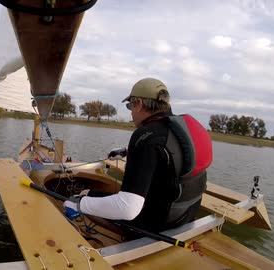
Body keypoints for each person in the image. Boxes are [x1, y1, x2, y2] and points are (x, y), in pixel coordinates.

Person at [63, 77, 212, 238]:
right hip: (184, 217)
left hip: (156, 227)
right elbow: (171, 152)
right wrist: (128, 151)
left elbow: (127, 208)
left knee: (83, 195)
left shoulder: (146, 135)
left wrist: (79, 204)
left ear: (139, 104)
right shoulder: (180, 126)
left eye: (130, 106)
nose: (131, 113)